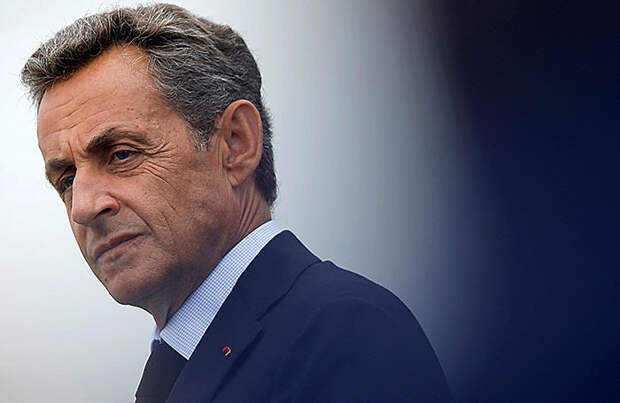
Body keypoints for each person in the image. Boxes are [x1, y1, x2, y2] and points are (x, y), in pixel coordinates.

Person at [21, 4, 453, 402]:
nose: (83, 207)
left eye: (121, 154)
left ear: (235, 144)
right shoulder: (190, 360)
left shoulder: (344, 334)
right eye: (67, 180)